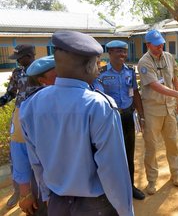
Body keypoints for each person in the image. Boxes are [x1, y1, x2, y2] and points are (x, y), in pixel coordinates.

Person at [19, 30, 134, 215]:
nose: (99, 68)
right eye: (97, 63)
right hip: (95, 206)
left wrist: (48, 196)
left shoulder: (30, 105)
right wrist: (126, 212)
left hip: (57, 202)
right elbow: (113, 171)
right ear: (89, 67)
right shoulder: (99, 105)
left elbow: (36, 161)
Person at [137, 29, 178, 195]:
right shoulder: (144, 62)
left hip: (169, 108)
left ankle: (175, 174)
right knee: (151, 147)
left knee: (172, 144)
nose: (160, 47)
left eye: (161, 44)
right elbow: (155, 86)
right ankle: (152, 181)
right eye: (156, 45)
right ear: (148, 45)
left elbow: (175, 79)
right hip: (152, 110)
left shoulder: (168, 57)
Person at [93, 40, 145, 200]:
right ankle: (112, 189)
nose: (122, 54)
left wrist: (141, 115)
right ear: (109, 53)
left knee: (129, 152)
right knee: (111, 154)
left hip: (128, 116)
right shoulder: (101, 74)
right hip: (111, 119)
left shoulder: (129, 71)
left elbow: (135, 93)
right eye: (118, 51)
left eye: (124, 51)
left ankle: (130, 186)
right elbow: (98, 96)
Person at [14, 55, 56, 215]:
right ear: (42, 80)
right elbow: (19, 151)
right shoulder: (26, 109)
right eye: (58, 75)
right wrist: (25, 192)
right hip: (42, 186)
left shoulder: (67, 103)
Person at [0, 44, 35, 209]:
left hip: (38, 117)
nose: (18, 61)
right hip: (19, 117)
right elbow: (10, 94)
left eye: (20, 57)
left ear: (29, 55)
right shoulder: (17, 72)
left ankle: (40, 191)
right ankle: (18, 191)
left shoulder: (44, 71)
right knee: (17, 156)